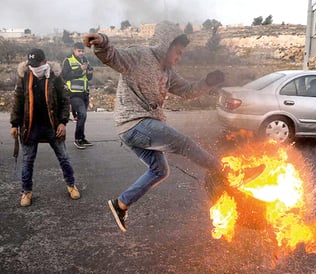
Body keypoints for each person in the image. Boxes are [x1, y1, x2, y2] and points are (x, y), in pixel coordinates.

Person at [83, 21, 263, 232]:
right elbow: (111, 56)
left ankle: (120, 204)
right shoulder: (139, 56)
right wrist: (102, 41)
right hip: (134, 123)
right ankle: (229, 173)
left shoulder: (168, 73)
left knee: (160, 170)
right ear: (165, 45)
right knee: (182, 142)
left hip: (141, 128)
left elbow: (187, 91)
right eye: (177, 52)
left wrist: (207, 82)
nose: (179, 57)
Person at [10, 48, 81, 207]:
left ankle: (71, 185)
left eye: (37, 64)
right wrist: (15, 124)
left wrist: (63, 122)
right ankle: (26, 191)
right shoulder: (24, 77)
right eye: (31, 64)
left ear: (45, 62)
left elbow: (65, 100)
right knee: (27, 161)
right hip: (30, 126)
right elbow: (18, 102)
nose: (34, 67)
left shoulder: (55, 77)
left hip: (53, 125)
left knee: (64, 158)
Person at [62, 42, 94, 149]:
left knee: (82, 117)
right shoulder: (68, 61)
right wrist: (80, 69)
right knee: (82, 114)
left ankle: (82, 137)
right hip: (74, 94)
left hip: (84, 93)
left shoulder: (85, 61)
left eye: (83, 51)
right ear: (74, 50)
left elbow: (88, 78)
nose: (81, 53)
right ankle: (77, 139)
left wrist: (89, 72)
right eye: (79, 51)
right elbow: (65, 76)